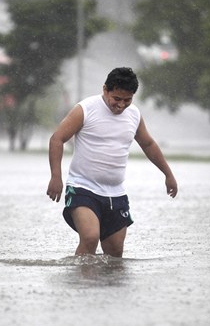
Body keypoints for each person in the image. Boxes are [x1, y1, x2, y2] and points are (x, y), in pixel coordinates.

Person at [47, 67, 178, 258]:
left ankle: (106, 287)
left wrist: (168, 174)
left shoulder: (133, 115)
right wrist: (55, 177)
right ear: (105, 89)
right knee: (90, 238)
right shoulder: (85, 109)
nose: (121, 105)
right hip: (83, 188)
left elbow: (148, 144)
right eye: (116, 99)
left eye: (127, 100)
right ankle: (78, 286)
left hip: (116, 193)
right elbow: (57, 139)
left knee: (115, 252)